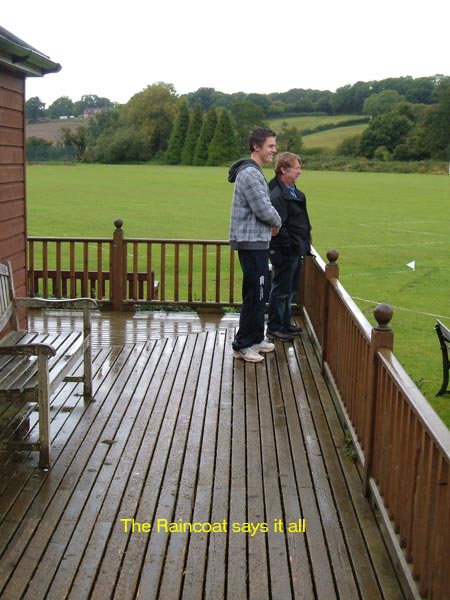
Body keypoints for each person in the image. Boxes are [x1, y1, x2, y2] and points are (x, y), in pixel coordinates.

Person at [228, 128, 282, 362]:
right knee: (255, 293)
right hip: (251, 243)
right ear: (256, 147)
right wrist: (278, 222)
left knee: (259, 293)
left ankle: (256, 338)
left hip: (257, 242)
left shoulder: (254, 171)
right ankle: (243, 344)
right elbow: (262, 207)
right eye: (270, 146)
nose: (274, 150)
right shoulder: (250, 174)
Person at [266, 152, 312, 341]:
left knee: (290, 288)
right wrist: (291, 246)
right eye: (296, 168)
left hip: (296, 248)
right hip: (286, 250)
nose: (300, 171)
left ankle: (284, 323)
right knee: (281, 288)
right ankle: (275, 327)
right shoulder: (277, 195)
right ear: (284, 169)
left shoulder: (293, 192)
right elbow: (279, 225)